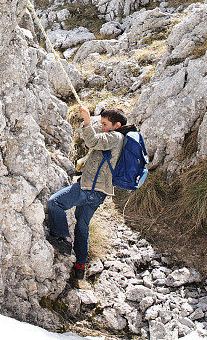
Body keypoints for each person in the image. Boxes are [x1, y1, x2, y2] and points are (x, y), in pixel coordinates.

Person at [46, 104, 129, 284]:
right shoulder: (117, 139)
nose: (103, 127)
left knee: (55, 203)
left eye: (106, 124)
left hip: (89, 188)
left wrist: (87, 121)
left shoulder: (115, 137)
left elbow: (92, 141)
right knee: (82, 226)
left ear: (117, 126)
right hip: (99, 193)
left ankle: (63, 240)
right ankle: (80, 268)